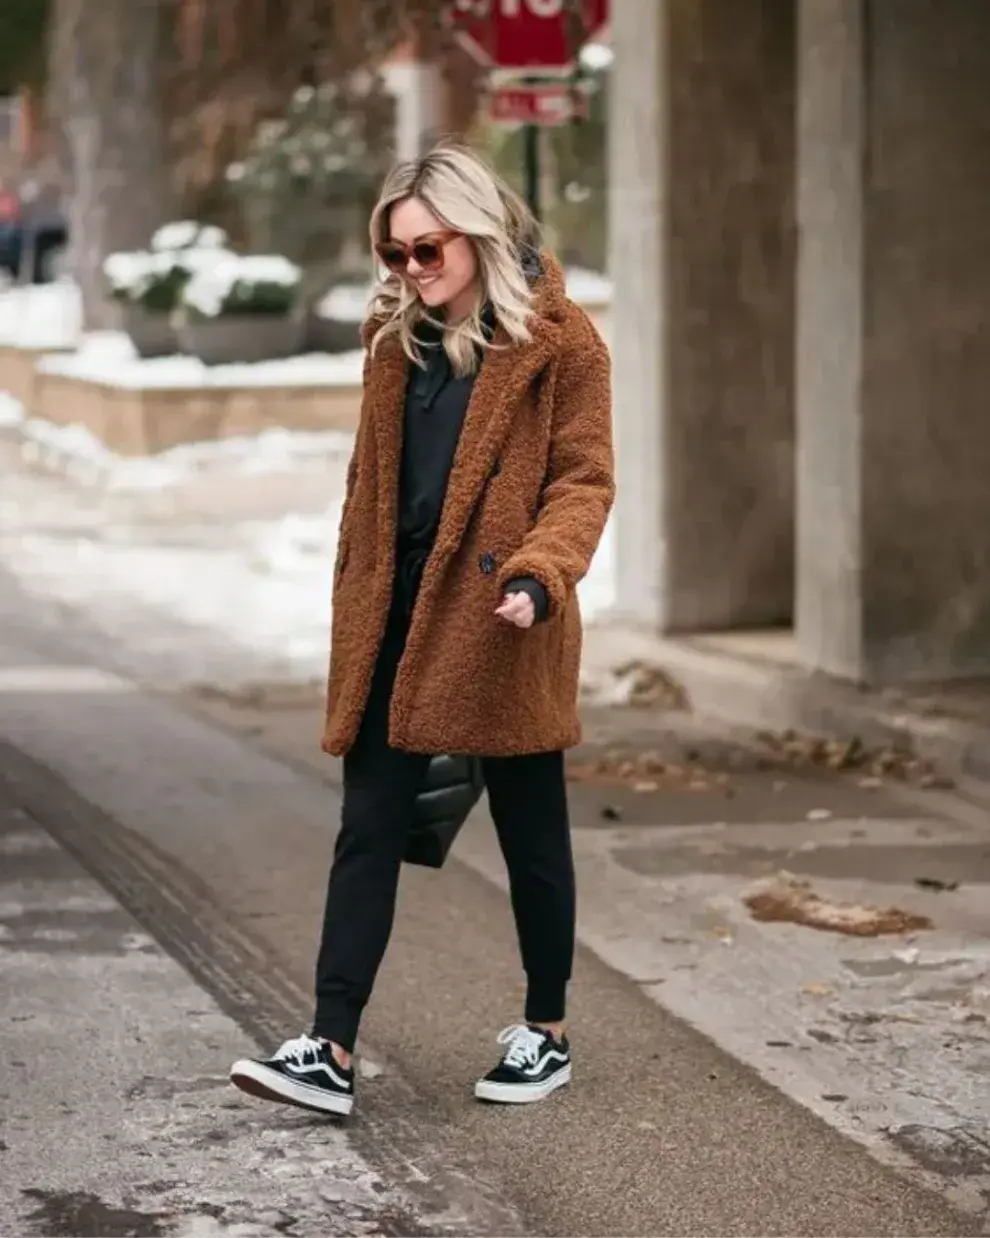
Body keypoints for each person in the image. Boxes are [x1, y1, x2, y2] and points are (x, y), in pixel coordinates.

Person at [229, 140, 614, 1116]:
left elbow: (582, 478)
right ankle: (330, 1042)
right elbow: (376, 476)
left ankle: (547, 1029)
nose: (409, 271)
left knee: (532, 829)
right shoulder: (391, 339)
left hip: (502, 609)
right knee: (367, 825)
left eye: (426, 250)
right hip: (395, 608)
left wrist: (541, 573)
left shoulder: (563, 343)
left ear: (477, 234)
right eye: (394, 254)